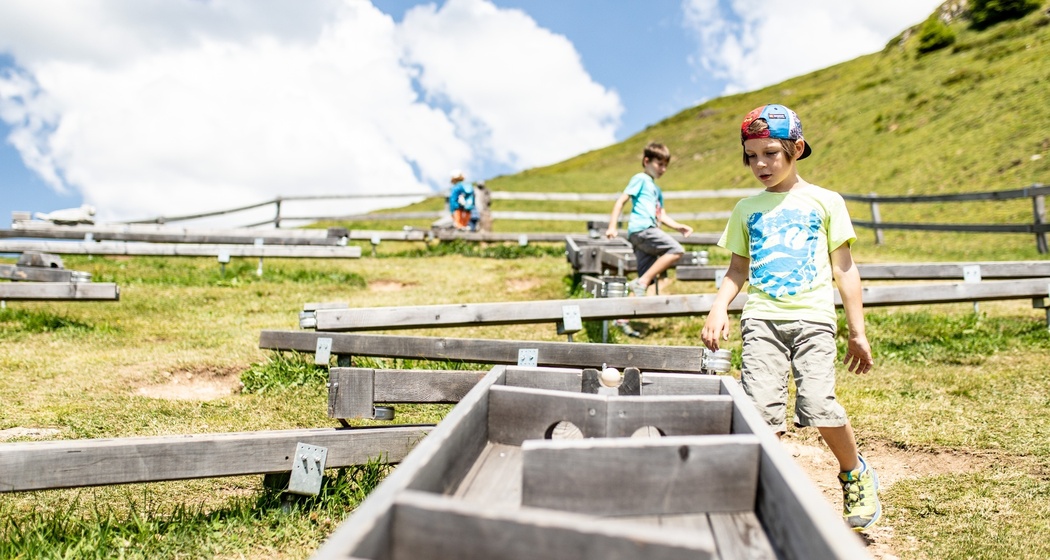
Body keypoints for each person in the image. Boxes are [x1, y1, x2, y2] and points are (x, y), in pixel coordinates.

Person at [700, 104, 880, 531]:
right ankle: (767, 498)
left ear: (796, 149)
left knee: (818, 404)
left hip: (814, 320)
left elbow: (845, 270)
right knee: (762, 414)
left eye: (771, 153)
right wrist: (719, 306)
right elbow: (737, 270)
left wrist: (858, 332)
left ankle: (855, 474)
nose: (760, 164)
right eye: (751, 155)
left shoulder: (826, 201)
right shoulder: (747, 209)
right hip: (761, 321)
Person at [604, 142, 693, 296]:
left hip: (642, 235)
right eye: (659, 164)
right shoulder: (640, 179)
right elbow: (621, 201)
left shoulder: (657, 190)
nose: (663, 169)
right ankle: (643, 281)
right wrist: (612, 226)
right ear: (646, 161)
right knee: (676, 250)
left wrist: (678, 227)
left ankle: (622, 317)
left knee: (642, 284)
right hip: (643, 229)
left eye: (665, 165)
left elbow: (662, 215)